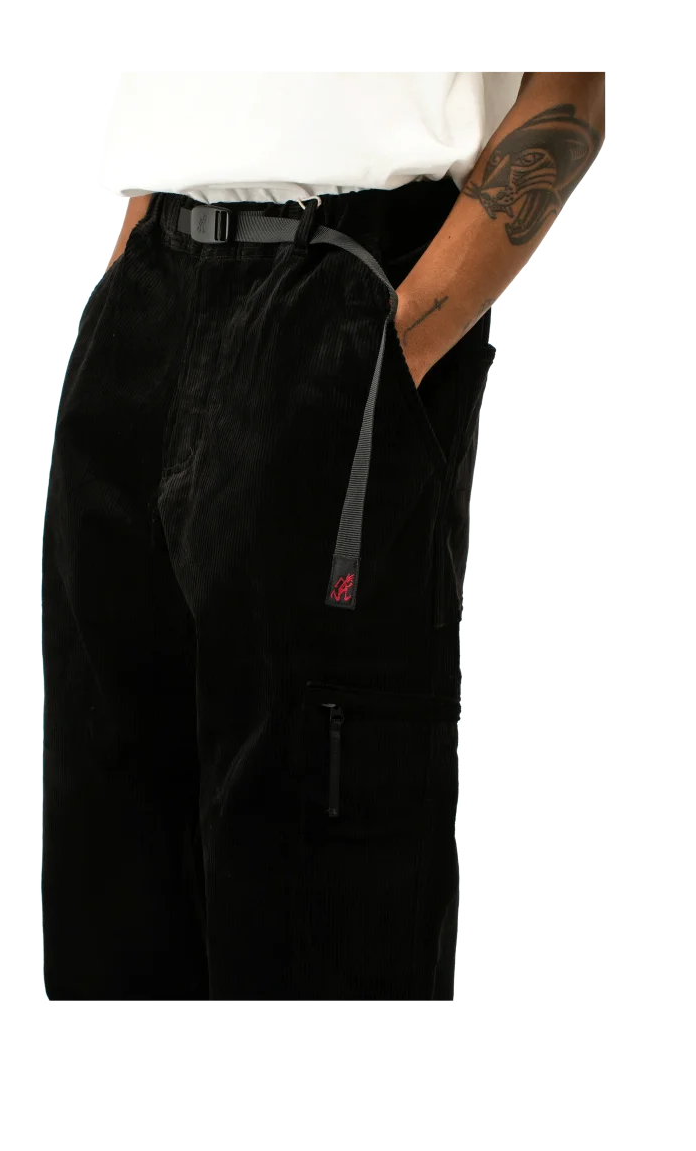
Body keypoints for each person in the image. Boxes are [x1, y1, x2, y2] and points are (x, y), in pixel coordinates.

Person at [42, 70, 608, 1005]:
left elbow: (572, 89)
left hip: (349, 280)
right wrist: (137, 241)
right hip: (145, 285)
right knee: (115, 839)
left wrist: (395, 342)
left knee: (321, 839)